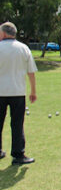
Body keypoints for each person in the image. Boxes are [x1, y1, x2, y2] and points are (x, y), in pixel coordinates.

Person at [0, 22, 37, 164]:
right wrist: (33, 91)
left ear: (3, 33)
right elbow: (31, 72)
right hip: (17, 92)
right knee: (17, 124)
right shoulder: (24, 48)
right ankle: (18, 154)